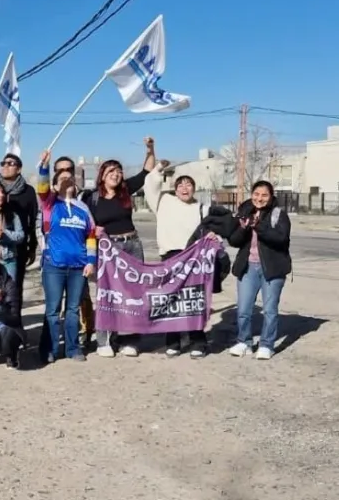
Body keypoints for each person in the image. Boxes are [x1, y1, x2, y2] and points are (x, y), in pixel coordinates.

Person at [88, 136, 158, 357]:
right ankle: (104, 340)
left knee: (133, 294)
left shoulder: (126, 190)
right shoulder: (92, 198)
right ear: (102, 176)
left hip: (133, 246)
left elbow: (147, 170)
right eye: (111, 172)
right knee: (107, 294)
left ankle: (130, 339)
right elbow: (84, 225)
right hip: (109, 250)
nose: (116, 175)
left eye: (118, 171)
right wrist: (93, 232)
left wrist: (149, 149)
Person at [144, 162, 211, 358]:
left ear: (194, 188)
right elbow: (150, 185)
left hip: (194, 259)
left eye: (188, 184)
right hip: (170, 257)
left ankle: (198, 341)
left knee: (192, 300)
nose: (184, 188)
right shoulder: (163, 201)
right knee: (170, 300)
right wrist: (157, 169)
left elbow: (216, 227)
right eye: (180, 184)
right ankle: (172, 341)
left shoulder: (201, 208)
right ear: (174, 188)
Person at [36, 152, 97, 363]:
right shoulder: (49, 204)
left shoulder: (83, 208)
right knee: (52, 311)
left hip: (78, 268)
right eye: (60, 178)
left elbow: (90, 236)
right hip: (54, 265)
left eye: (68, 178)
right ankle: (51, 349)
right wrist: (43, 167)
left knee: (72, 310)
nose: (65, 180)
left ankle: (73, 348)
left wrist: (91, 261)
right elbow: (42, 188)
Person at [228, 180, 292, 361]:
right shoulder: (244, 212)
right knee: (243, 309)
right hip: (248, 266)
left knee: (270, 309)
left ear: (271, 197)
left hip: (271, 269)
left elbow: (280, 239)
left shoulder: (279, 214)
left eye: (264, 195)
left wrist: (258, 226)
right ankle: (244, 342)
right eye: (256, 194)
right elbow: (234, 240)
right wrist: (243, 227)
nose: (259, 198)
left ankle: (266, 345)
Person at [0, 152, 38, 291]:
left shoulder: (28, 191)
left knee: (15, 287)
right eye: (3, 163)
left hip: (18, 246)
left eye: (10, 163)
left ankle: (15, 313)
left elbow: (32, 220)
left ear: (19, 169)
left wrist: (31, 247)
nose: (5, 166)